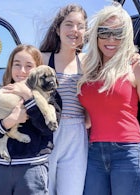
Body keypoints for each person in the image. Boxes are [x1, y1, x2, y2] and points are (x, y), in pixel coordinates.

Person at [77, 2, 140, 195]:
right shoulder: (87, 69)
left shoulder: (139, 68)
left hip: (129, 154)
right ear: (96, 34)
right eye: (104, 32)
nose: (111, 39)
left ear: (127, 36)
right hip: (93, 154)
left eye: (118, 33)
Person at [0, 44, 62, 195]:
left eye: (29, 66)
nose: (22, 71)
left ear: (38, 69)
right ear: (10, 67)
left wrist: (29, 98)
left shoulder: (50, 95)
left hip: (32, 170)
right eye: (17, 65)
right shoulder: (2, 93)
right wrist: (8, 122)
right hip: (0, 169)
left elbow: (48, 128)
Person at [39, 4, 89, 195]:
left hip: (77, 134)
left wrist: (135, 58)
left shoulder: (87, 61)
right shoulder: (42, 58)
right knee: (43, 190)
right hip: (46, 131)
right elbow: (18, 81)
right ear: (58, 29)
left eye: (80, 26)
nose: (74, 30)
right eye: (69, 24)